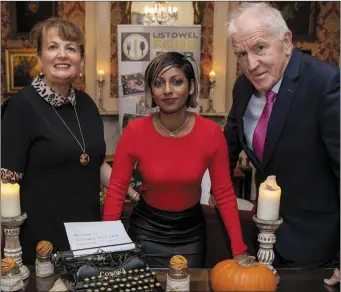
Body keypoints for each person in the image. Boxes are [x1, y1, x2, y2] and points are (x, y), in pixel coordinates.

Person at [1, 18, 137, 264]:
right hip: (43, 240)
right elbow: (6, 182)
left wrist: (135, 195)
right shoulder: (22, 107)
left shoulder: (86, 105)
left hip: (88, 238)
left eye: (71, 48)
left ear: (81, 60)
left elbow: (94, 164)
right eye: (53, 47)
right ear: (39, 59)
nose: (62, 55)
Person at [224, 1, 340, 273]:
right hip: (264, 241)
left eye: (259, 48)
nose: (250, 64)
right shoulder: (243, 87)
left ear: (286, 41)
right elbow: (227, 146)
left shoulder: (326, 84)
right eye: (241, 54)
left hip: (318, 248)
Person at [103, 52, 248, 268]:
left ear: (190, 87)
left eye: (176, 81)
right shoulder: (134, 131)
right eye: (159, 83)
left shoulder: (211, 133)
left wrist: (239, 250)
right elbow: (116, 190)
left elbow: (224, 194)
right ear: (152, 90)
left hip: (190, 234)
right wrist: (107, 246)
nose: (168, 90)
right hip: (146, 230)